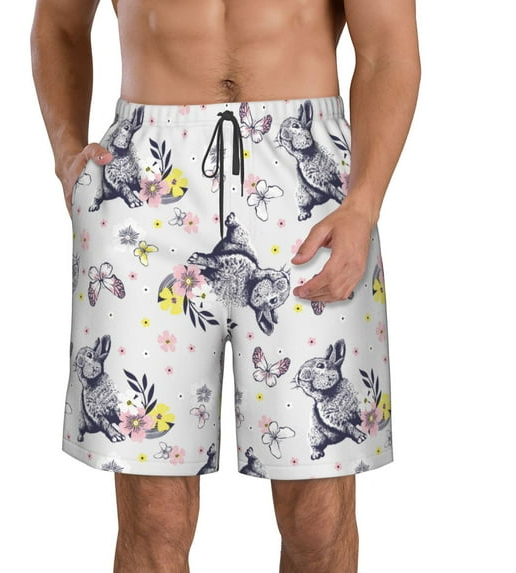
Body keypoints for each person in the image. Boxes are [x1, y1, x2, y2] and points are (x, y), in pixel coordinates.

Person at [30, 0, 420, 571]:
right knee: (154, 515)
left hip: (305, 196)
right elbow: (58, 25)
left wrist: (363, 204)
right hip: (147, 186)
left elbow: (389, 49)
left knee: (317, 514)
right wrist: (67, 154)